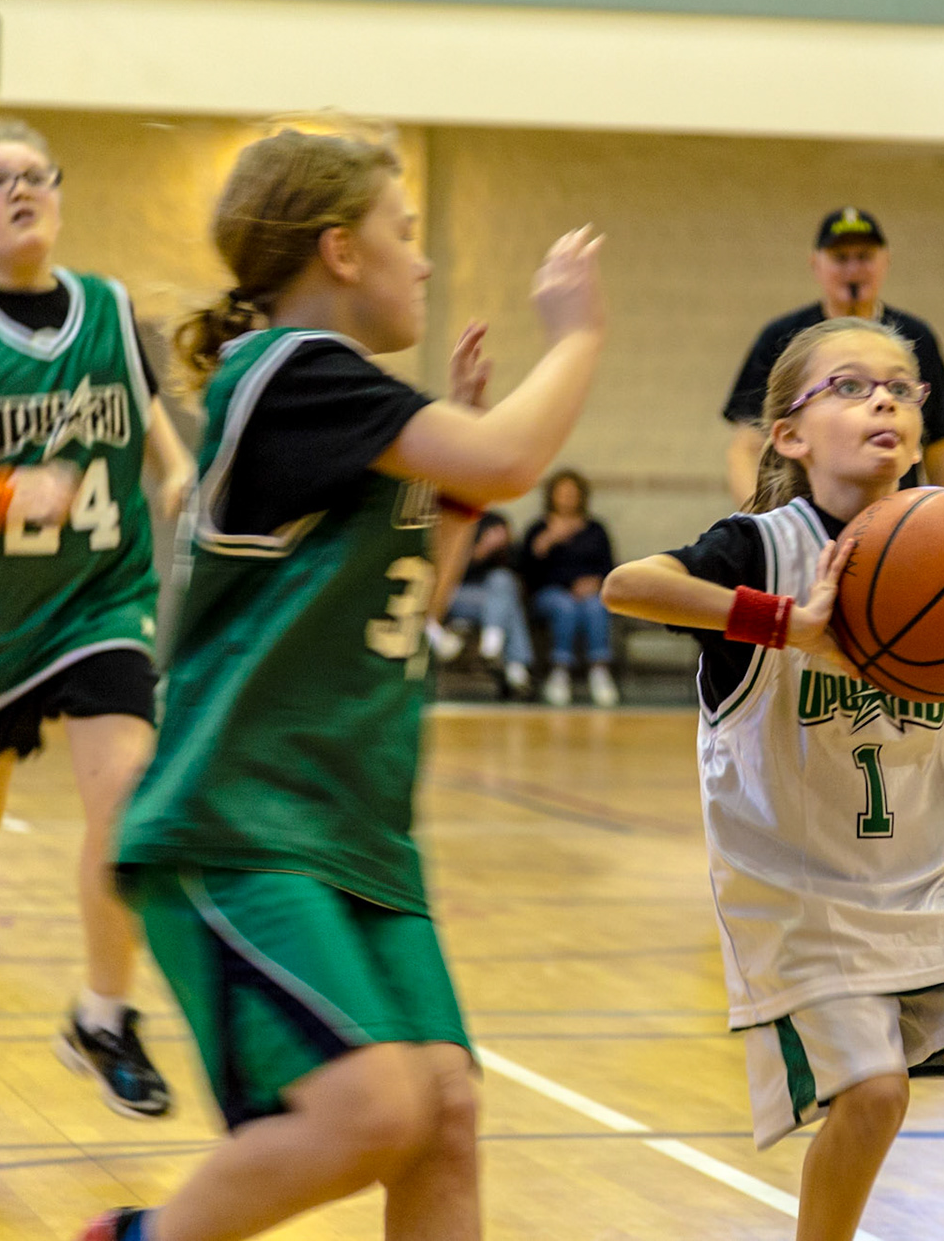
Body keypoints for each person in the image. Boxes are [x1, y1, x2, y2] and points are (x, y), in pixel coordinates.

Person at [77, 128, 606, 1241]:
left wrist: (446, 505)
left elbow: (410, 602)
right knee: (371, 1107)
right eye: (403, 233)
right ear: (341, 251)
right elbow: (515, 456)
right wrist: (579, 334)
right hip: (239, 817)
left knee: (446, 1111)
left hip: (355, 828)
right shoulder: (287, 372)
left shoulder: (346, 406)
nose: (421, 259)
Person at [602, 315, 944, 1241]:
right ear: (790, 435)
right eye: (850, 385)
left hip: (924, 884)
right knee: (876, 1094)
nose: (884, 397)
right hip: (800, 894)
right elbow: (628, 585)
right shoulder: (761, 549)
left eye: (902, 385)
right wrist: (782, 624)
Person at [0, 118, 197, 1129]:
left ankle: (104, 1012)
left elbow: (143, 411)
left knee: (127, 798)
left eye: (36, 173)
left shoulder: (115, 310)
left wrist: (174, 476)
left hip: (98, 598)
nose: (20, 187)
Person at [723, 208, 944, 504]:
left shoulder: (917, 336)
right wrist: (764, 523)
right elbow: (747, 448)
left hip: (893, 522)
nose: (853, 270)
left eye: (864, 257)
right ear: (816, 265)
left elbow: (938, 450)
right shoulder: (781, 337)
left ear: (885, 261)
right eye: (841, 259)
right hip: (806, 513)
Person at [522, 469, 619, 707]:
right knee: (564, 606)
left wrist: (595, 582)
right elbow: (526, 571)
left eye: (572, 493)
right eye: (561, 493)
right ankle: (559, 671)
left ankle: (599, 671)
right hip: (550, 593)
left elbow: (609, 568)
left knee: (596, 606)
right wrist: (544, 543)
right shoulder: (538, 528)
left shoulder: (595, 529)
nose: (566, 498)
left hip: (589, 594)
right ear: (551, 496)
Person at [431, 510, 535, 698]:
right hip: (454, 597)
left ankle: (492, 645)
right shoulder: (456, 518)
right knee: (508, 606)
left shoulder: (497, 523)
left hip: (488, 603)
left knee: (503, 581)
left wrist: (500, 549)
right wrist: (479, 551)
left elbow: (519, 573)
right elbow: (446, 574)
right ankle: (514, 667)